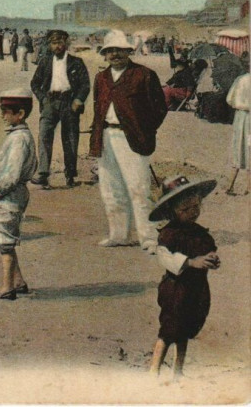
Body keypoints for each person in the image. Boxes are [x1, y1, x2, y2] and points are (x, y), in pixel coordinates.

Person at [89, 30, 167, 253]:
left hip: (132, 138)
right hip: (105, 137)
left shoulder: (144, 75)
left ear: (128, 51)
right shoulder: (101, 78)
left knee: (138, 188)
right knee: (111, 188)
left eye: (119, 50)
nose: (115, 54)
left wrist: (144, 129)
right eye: (110, 51)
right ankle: (119, 235)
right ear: (104, 54)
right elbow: (98, 107)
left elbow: (159, 108)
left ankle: (149, 238)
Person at [148, 176, 220, 379]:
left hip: (196, 288)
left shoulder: (199, 233)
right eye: (185, 210)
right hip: (176, 289)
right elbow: (165, 257)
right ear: (172, 212)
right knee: (169, 329)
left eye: (195, 207)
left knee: (186, 328)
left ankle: (178, 371)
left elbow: (206, 251)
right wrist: (190, 262)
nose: (192, 213)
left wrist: (211, 260)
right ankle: (154, 369)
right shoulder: (170, 234)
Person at [0, 89, 37, 301]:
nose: (3, 115)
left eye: (6, 111)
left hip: (9, 194)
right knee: (7, 237)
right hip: (11, 194)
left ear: (20, 114)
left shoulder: (18, 139)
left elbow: (12, 173)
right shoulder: (19, 135)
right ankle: (18, 281)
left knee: (4, 240)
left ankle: (6, 287)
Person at [30, 29, 90, 188]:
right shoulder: (44, 62)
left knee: (70, 139)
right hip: (50, 103)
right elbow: (34, 83)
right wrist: (42, 98)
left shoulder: (77, 62)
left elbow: (85, 85)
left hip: (70, 104)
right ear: (49, 45)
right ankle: (43, 173)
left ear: (66, 43)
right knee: (44, 136)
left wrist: (79, 99)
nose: (57, 46)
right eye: (54, 43)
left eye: (60, 42)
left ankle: (70, 175)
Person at [226, 69, 250, 195]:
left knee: (237, 148)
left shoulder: (240, 79)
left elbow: (229, 99)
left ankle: (230, 186)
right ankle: (249, 188)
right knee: (249, 149)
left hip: (240, 117)